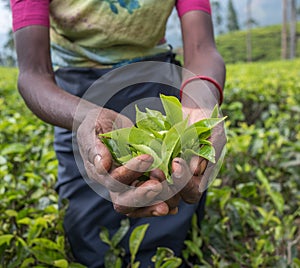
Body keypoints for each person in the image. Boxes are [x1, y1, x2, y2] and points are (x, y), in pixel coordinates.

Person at [10, 0, 226, 267]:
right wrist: (85, 117)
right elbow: (33, 74)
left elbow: (202, 48)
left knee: (174, 238)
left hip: (159, 87)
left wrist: (201, 103)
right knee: (92, 242)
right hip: (75, 99)